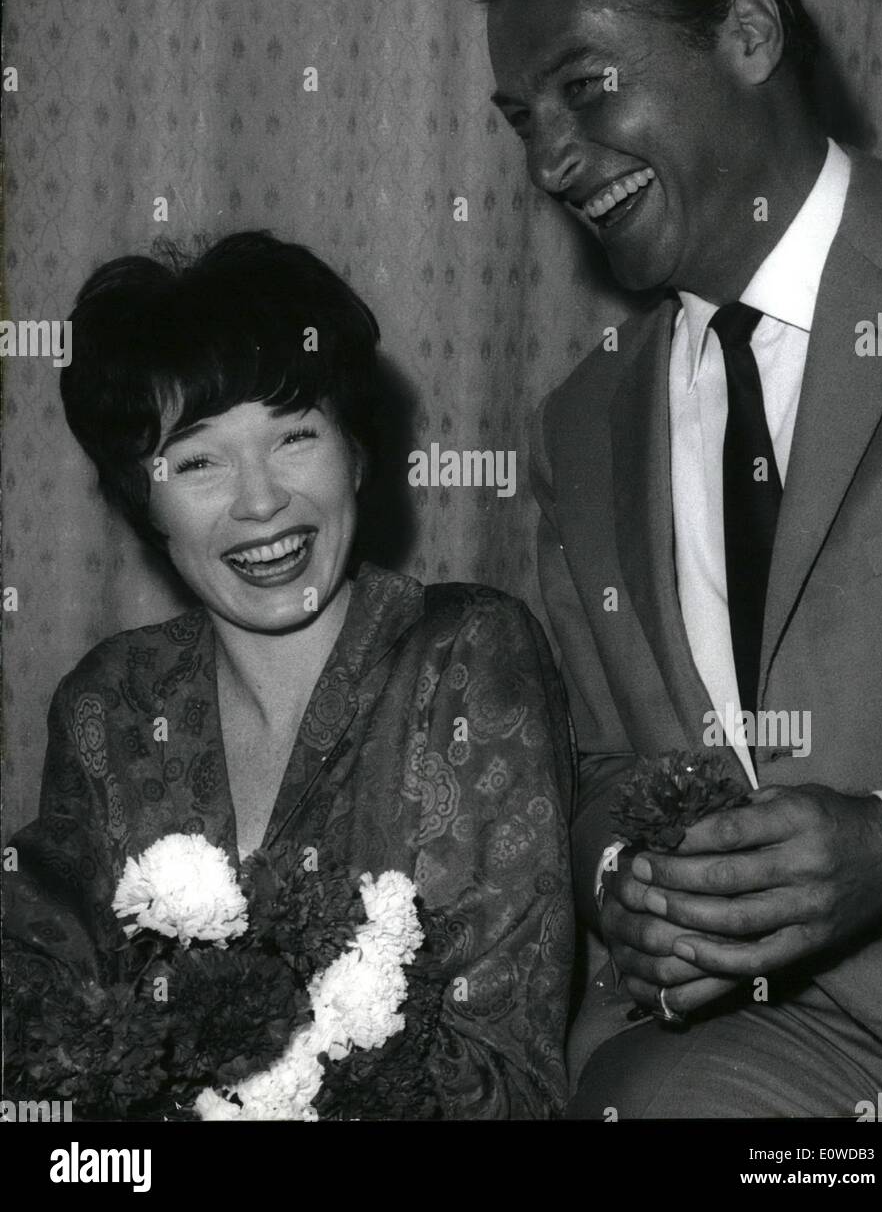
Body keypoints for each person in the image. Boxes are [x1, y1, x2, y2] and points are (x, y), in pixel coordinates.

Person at [465, 0, 882, 1117]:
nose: (551, 160)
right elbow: (606, 757)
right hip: (766, 1056)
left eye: (583, 88)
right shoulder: (580, 422)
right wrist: (625, 870)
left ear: (749, 31)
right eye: (521, 120)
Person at [2, 230, 575, 1120]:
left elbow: (506, 1083)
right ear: (140, 497)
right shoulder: (108, 705)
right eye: (197, 461)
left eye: (294, 436)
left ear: (357, 452)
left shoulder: (467, 656)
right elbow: (53, 1006)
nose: (260, 500)